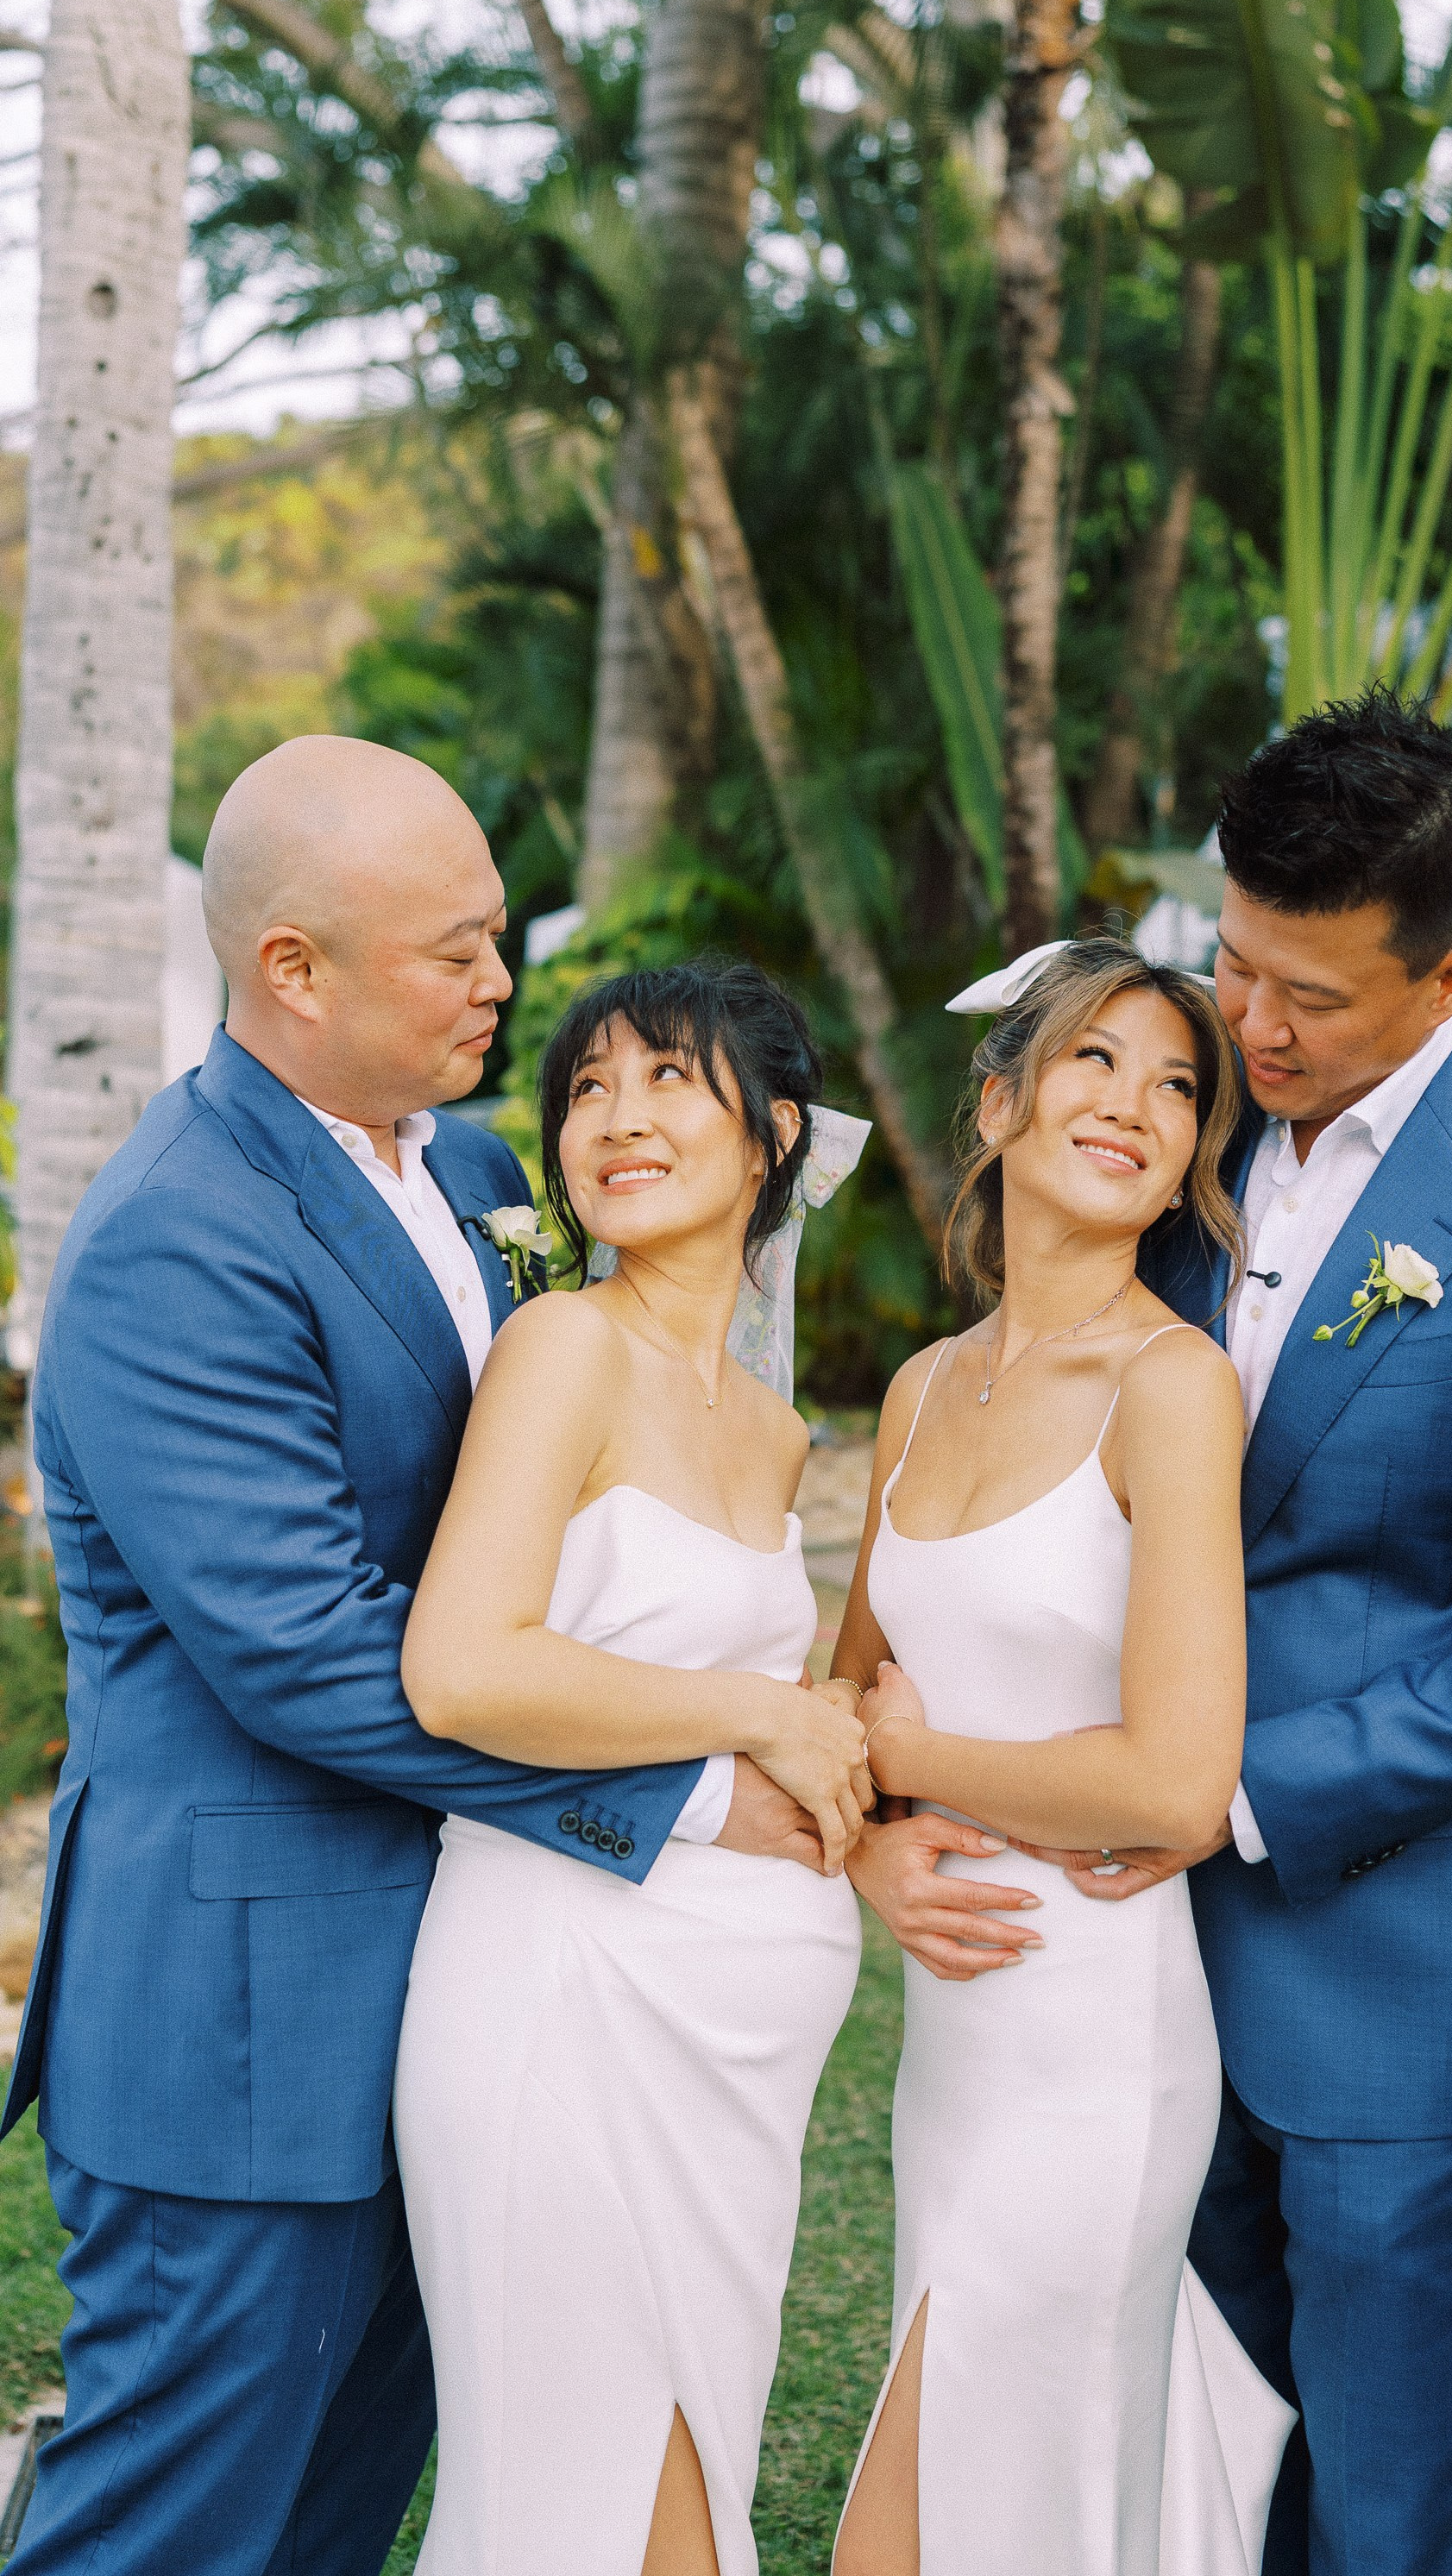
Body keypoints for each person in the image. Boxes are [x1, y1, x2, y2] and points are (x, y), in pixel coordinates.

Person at [0, 742, 845, 2576]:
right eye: (456, 952)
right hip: (243, 2015)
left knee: (335, 2520)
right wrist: (690, 1786)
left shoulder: (476, 1171)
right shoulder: (176, 1241)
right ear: (293, 970)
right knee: (168, 2528)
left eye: (498, 938)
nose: (504, 987)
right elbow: (304, 1653)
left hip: (473, 1999)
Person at [1014, 690, 1452, 2574]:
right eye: (1231, 966)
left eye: (1305, 998)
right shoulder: (1166, 1141)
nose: (1249, 1028)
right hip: (1120, 1972)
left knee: (1390, 2516)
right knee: (1166, 2478)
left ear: (1450, 975)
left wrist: (1233, 1791)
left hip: (1404, 1982)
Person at [393, 958, 868, 2576]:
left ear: (775, 1135)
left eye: (669, 1077)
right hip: (560, 2005)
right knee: (576, 2507)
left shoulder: (773, 1424)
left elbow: (779, 1704)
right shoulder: (561, 1352)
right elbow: (463, 1671)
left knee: (689, 2486)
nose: (618, 1117)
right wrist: (758, 1717)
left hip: (734, 2060)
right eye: (587, 1088)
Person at [828, 938, 1296, 2576]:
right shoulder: (916, 1392)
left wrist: (927, 1753)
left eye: (1179, 1087)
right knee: (985, 2484)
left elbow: (1175, 1780)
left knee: (946, 2508)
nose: (1138, 1105)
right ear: (1000, 1101)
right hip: (957, 2038)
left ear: (1191, 1161)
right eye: (1097, 1060)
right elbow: (850, 1719)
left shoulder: (1176, 1391)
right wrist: (879, 1842)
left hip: (1101, 2026)